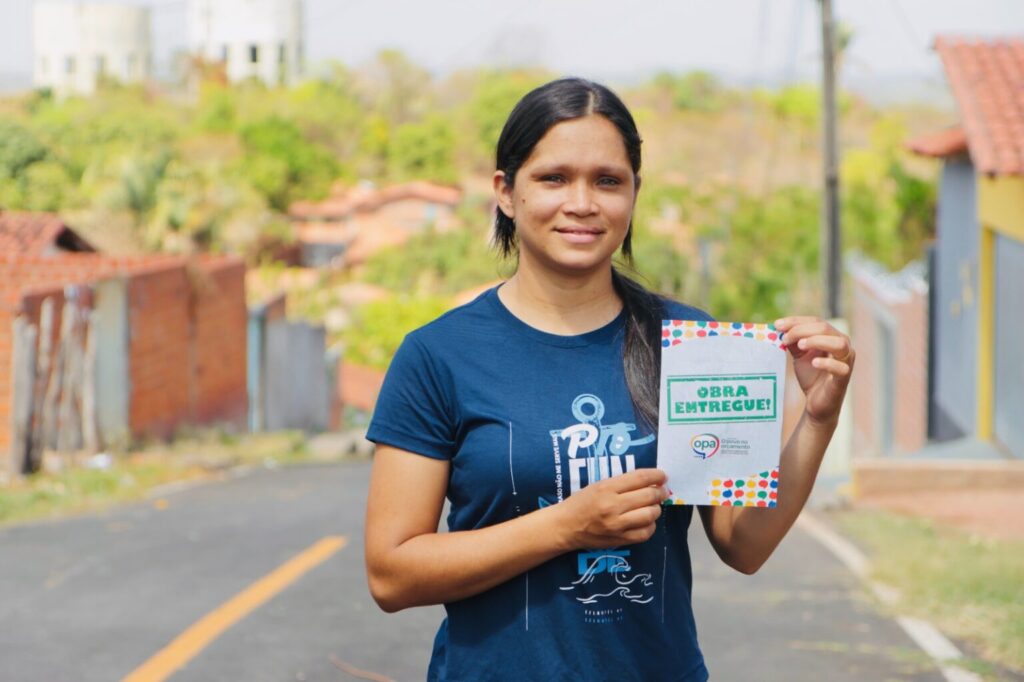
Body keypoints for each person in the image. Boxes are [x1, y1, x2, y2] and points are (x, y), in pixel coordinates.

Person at [364, 77, 855, 681]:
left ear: (634, 194)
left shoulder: (694, 343)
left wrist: (818, 419)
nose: (582, 203)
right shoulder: (439, 355)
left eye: (607, 181)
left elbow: (744, 546)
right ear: (506, 193)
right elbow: (392, 574)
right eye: (554, 178)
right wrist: (565, 527)